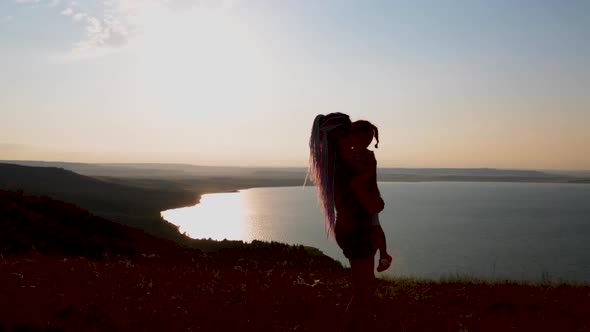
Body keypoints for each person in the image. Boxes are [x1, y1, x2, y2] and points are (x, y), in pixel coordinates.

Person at [305, 113, 385, 330]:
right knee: (363, 291)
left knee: (365, 286)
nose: (354, 137)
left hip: (349, 229)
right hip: (356, 230)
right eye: (350, 132)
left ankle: (359, 323)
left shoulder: (335, 163)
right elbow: (371, 204)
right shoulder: (347, 167)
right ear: (341, 137)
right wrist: (378, 203)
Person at [349, 120, 393, 272]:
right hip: (357, 201)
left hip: (368, 198)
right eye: (362, 139)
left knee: (375, 226)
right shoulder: (348, 152)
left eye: (368, 141)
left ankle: (384, 254)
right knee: (372, 227)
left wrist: (376, 198)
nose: (365, 143)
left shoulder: (368, 156)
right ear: (352, 136)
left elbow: (370, 178)